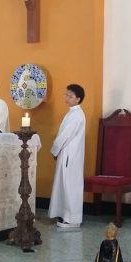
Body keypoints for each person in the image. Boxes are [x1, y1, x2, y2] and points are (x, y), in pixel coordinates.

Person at [48, 84, 86, 228]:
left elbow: (65, 135)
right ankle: (64, 214)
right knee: (64, 184)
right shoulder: (71, 113)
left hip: (71, 154)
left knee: (70, 185)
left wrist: (54, 149)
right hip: (67, 153)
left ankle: (72, 219)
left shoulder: (77, 115)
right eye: (66, 95)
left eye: (70, 96)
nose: (67, 98)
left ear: (78, 99)